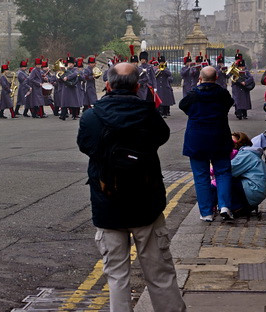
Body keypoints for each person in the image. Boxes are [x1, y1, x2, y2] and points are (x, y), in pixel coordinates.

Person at [77, 62, 186, 312]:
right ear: (138, 86)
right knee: (160, 274)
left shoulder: (92, 116)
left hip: (107, 202)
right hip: (145, 202)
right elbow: (161, 138)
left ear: (107, 85)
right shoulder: (149, 114)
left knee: (116, 276)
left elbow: (86, 146)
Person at [179, 66, 235, 221]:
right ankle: (225, 206)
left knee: (201, 176)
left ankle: (206, 213)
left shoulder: (193, 94)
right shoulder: (222, 94)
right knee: (223, 173)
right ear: (216, 78)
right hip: (219, 136)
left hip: (197, 139)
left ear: (200, 78)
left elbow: (183, 105)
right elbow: (229, 103)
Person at [228, 132, 266, 217]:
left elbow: (229, 169)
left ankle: (237, 207)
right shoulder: (248, 152)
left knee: (226, 180)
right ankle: (242, 205)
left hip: (253, 190)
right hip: (256, 190)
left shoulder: (245, 154)